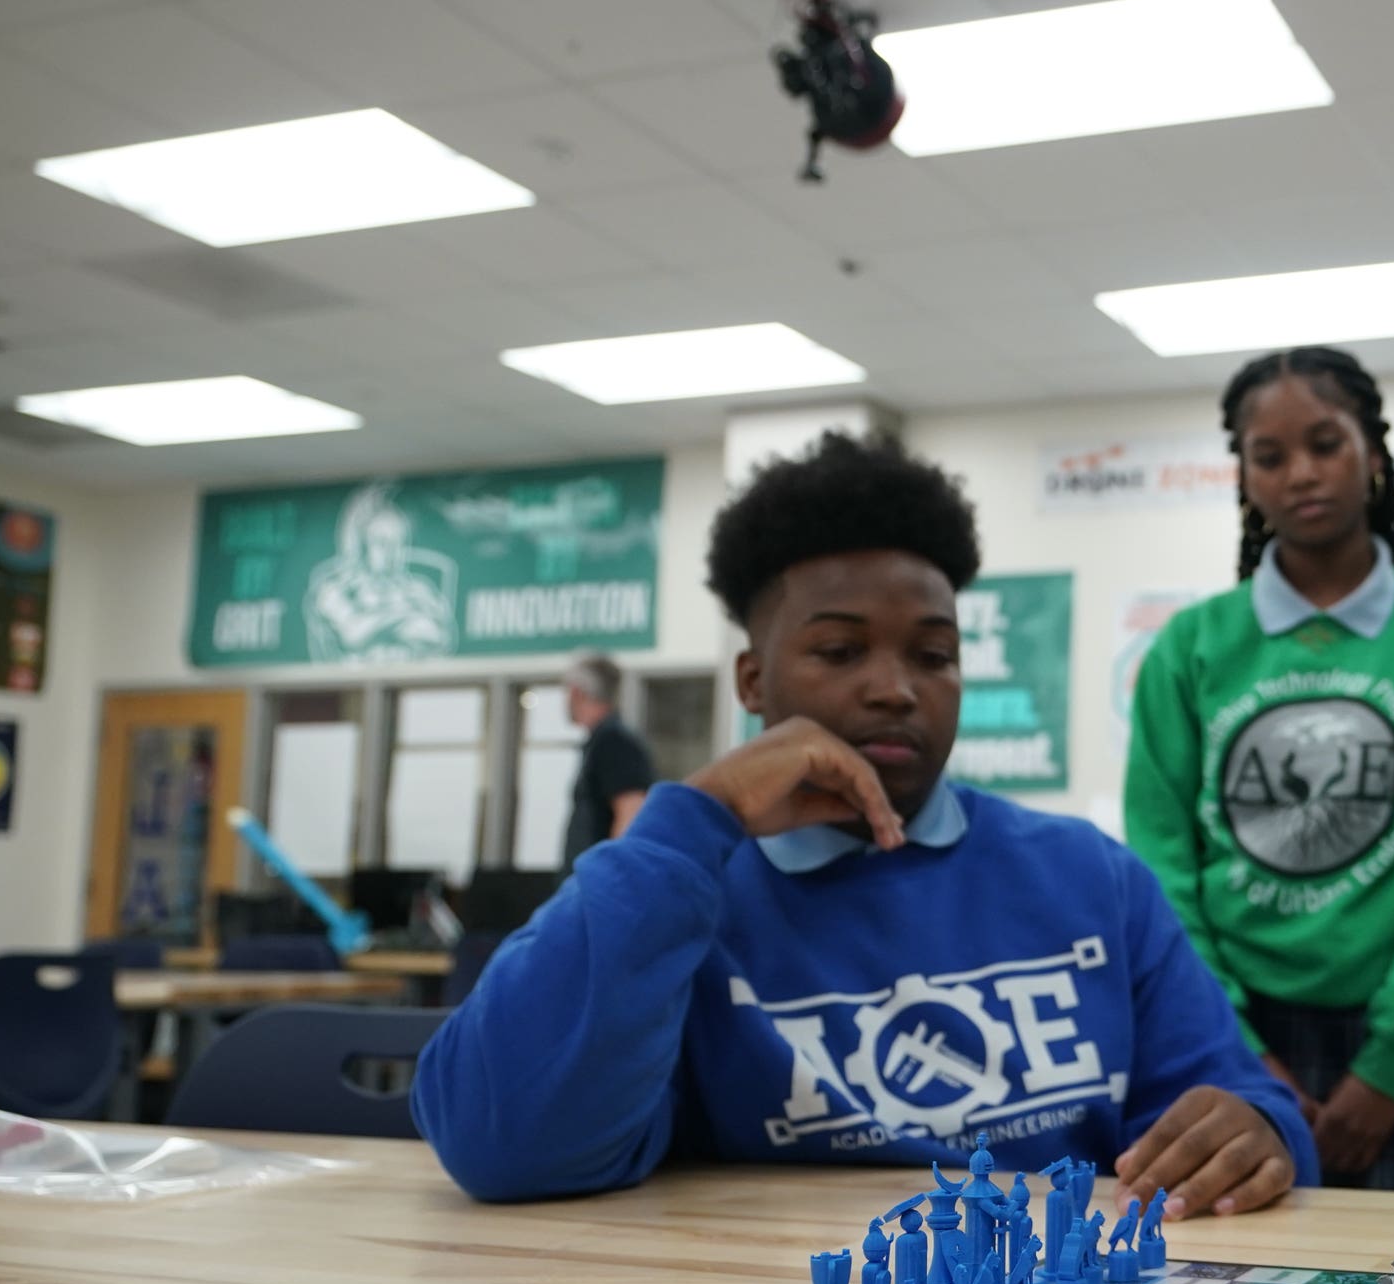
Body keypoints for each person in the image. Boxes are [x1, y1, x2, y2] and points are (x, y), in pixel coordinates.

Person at [415, 431, 1317, 1208]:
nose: (894, 688)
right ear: (753, 683)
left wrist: (1258, 1133)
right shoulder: (677, 889)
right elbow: (502, 1148)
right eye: (840, 651)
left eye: (934, 654)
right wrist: (697, 818)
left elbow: (1232, 1107)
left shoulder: (1090, 877)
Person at [1125, 346, 1394, 1194]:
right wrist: (1236, 1048)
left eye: (1325, 443)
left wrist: (1390, 1064)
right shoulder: (1190, 648)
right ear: (1244, 479)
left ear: (1373, 455)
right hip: (1233, 1034)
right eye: (1269, 456)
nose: (1301, 473)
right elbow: (1165, 867)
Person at [561, 652, 655, 864]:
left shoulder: (614, 741)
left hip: (598, 886)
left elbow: (631, 813)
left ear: (576, 693)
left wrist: (609, 876)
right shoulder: (600, 741)